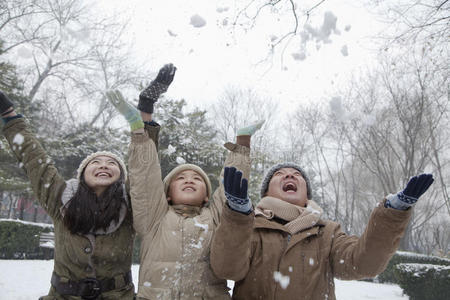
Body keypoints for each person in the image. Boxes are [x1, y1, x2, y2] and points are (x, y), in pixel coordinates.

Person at [107, 64, 264, 299]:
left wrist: (242, 143)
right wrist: (138, 130)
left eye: (197, 179)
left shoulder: (214, 218)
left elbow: (230, 189)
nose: (189, 180)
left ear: (206, 196)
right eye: (181, 177)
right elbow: (145, 175)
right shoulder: (154, 219)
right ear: (167, 193)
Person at [0, 89, 151, 299]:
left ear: (120, 177)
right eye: (95, 163)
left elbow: (145, 172)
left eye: (112, 163)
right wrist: (9, 114)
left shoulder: (131, 204)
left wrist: (139, 128)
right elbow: (34, 159)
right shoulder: (60, 198)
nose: (104, 165)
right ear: (82, 175)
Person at [210, 162, 434, 300]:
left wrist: (393, 212)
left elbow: (364, 264)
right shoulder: (250, 227)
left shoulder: (328, 232)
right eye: (280, 174)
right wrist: (237, 215)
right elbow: (227, 269)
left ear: (307, 194)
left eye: (297, 175)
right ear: (266, 191)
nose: (289, 176)